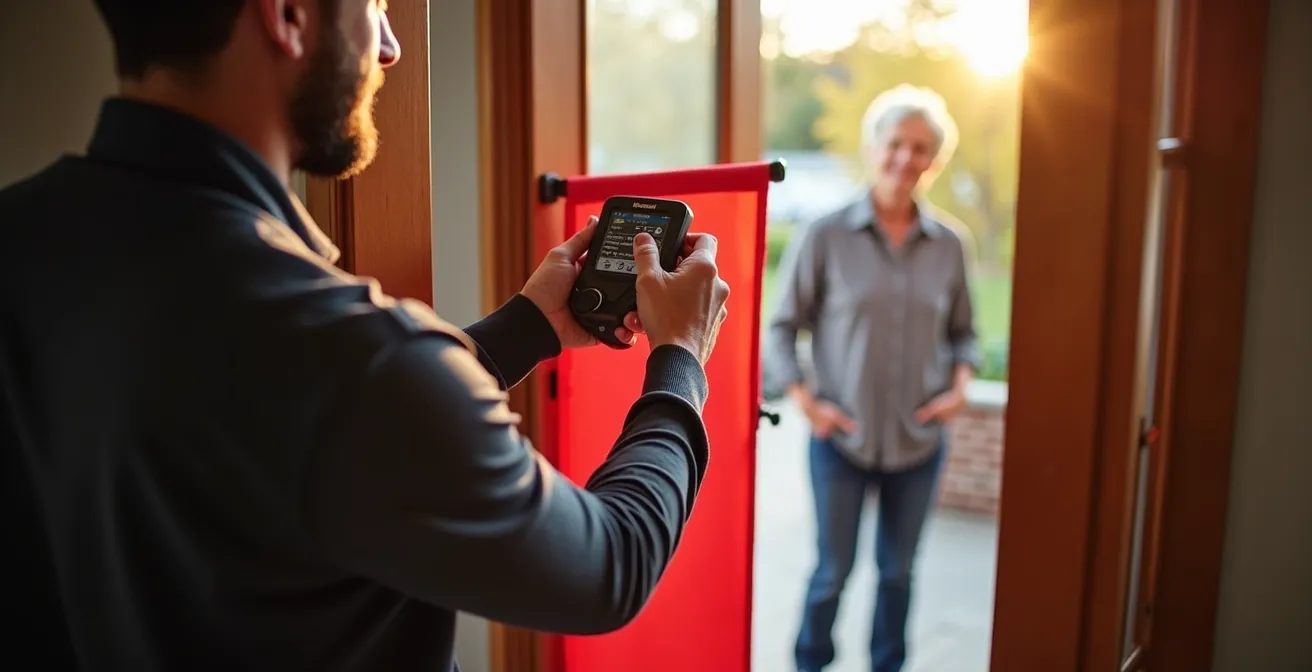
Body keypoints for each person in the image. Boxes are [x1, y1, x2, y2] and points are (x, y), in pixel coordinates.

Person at [0, 1, 730, 670]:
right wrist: (680, 361)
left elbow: (299, 431)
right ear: (287, 15)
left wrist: (528, 328)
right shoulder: (349, 355)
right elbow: (608, 566)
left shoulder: (23, 239)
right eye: (376, 6)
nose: (388, 48)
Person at [764, 84, 979, 672]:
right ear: (872, 147)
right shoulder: (824, 234)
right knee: (831, 573)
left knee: (898, 575)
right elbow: (781, 328)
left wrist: (959, 388)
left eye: (921, 148)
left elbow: (965, 332)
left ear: (935, 160)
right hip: (841, 440)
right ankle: (810, 664)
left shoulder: (951, 245)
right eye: (896, 144)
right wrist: (810, 403)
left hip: (919, 443)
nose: (906, 158)